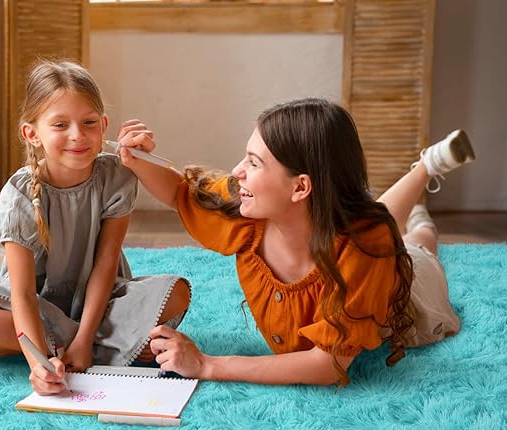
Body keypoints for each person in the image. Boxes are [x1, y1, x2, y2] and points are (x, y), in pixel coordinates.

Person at [114, 98, 475, 386]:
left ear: (300, 186)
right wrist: (136, 160)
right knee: (373, 220)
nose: (237, 171)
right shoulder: (247, 210)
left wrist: (207, 364)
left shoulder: (368, 249)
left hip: (413, 293)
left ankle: (425, 183)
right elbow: (180, 192)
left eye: (254, 163)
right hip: (342, 228)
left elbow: (328, 365)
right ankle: (427, 169)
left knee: (417, 247)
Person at [0, 60, 190, 395]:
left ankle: (56, 345)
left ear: (103, 125)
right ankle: (109, 346)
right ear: (32, 134)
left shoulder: (117, 177)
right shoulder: (18, 195)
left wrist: (84, 339)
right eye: (60, 125)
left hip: (100, 302)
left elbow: (106, 264)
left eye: (89, 123)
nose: (78, 135)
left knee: (177, 292)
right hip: (36, 306)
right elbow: (22, 295)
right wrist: (38, 365)